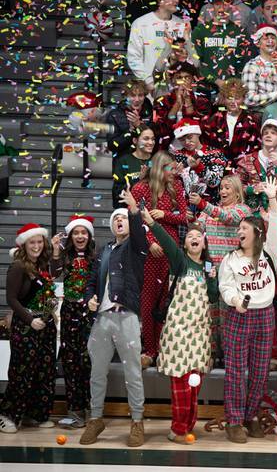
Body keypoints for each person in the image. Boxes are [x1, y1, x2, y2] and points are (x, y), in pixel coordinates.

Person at [79, 191, 148, 447]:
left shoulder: (135, 247)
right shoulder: (104, 251)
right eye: (116, 218)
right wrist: (90, 299)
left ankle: (137, 421)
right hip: (102, 319)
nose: (120, 221)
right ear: (111, 225)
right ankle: (96, 418)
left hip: (127, 316)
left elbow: (140, 235)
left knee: (133, 372)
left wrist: (133, 210)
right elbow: (90, 282)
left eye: (124, 218)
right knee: (97, 371)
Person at [141, 212, 218, 444]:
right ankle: (178, 427)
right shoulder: (180, 260)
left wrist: (213, 279)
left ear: (204, 242)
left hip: (200, 334)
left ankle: (187, 425)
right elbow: (164, 240)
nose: (194, 238)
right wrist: (152, 223)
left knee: (194, 385)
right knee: (180, 383)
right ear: (184, 244)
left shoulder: (208, 266)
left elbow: (213, 296)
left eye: (199, 236)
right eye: (190, 236)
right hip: (178, 333)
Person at [218, 178, 277, 443]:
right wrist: (236, 301)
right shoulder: (230, 259)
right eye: (238, 228)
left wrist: (271, 200)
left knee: (260, 370)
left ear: (257, 232)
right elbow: (225, 286)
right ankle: (234, 420)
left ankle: (252, 414)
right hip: (238, 316)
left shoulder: (269, 253)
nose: (239, 232)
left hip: (265, 315)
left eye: (244, 228)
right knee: (235, 370)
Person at [131, 151, 189, 368]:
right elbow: (134, 221)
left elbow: (184, 217)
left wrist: (164, 215)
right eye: (170, 168)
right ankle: (149, 349)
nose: (174, 172)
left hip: (170, 251)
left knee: (167, 301)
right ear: (159, 168)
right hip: (148, 253)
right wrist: (149, 242)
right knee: (148, 303)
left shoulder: (177, 188)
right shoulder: (140, 189)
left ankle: (165, 348)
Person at [0, 223, 56, 434]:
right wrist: (30, 320)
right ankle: (7, 415)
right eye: (32, 242)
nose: (36, 246)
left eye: (39, 241)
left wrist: (50, 314)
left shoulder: (43, 265)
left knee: (44, 373)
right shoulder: (18, 267)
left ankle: (36, 414)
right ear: (24, 244)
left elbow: (49, 294)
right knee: (21, 373)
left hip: (45, 329)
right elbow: (11, 299)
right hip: (25, 329)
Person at [192, 175, 252, 364]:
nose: (223, 191)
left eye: (227, 188)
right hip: (209, 266)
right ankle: (211, 353)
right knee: (210, 313)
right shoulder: (209, 211)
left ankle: (230, 356)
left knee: (229, 314)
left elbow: (227, 218)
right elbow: (197, 229)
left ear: (237, 191)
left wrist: (202, 203)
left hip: (231, 271)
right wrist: (190, 219)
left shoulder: (242, 210)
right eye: (221, 188)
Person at [51, 215, 96, 430]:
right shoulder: (65, 256)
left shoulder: (96, 257)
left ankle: (91, 410)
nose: (80, 236)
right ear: (71, 236)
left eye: (83, 232)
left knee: (87, 361)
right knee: (70, 362)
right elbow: (53, 275)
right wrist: (56, 252)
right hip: (69, 311)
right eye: (76, 233)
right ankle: (74, 411)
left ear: (89, 235)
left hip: (89, 313)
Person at [128, 0, 194, 91]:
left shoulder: (182, 24)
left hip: (177, 88)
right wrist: (148, 82)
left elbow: (188, 58)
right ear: (160, 0)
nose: (177, 1)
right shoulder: (140, 23)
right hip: (150, 88)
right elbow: (133, 58)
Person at [237, 118, 277, 208]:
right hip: (250, 214)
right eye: (265, 133)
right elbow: (235, 186)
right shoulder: (246, 160)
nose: (268, 136)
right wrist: (252, 189)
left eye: (273, 133)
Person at [203, 79, 263, 163]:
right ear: (224, 99)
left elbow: (256, 149)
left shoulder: (252, 121)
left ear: (243, 98)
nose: (233, 102)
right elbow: (208, 145)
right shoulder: (215, 119)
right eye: (229, 97)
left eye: (237, 98)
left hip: (243, 167)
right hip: (217, 165)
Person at [242, 24, 277, 109]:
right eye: (266, 38)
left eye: (273, 38)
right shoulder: (251, 66)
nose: (270, 41)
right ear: (258, 44)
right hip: (260, 115)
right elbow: (248, 99)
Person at [112, 125, 155, 209]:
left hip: (154, 211)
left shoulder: (157, 160)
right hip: (130, 211)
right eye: (146, 139)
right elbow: (117, 193)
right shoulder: (123, 161)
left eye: (153, 139)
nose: (151, 142)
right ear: (135, 140)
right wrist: (138, 179)